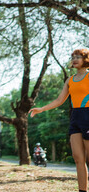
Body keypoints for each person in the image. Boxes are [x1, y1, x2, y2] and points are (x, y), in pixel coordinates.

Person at [29, 48, 89, 192]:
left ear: (86, 59)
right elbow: (59, 100)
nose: (74, 59)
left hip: (88, 115)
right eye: (73, 57)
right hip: (75, 117)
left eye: (78, 57)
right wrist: (41, 109)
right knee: (77, 158)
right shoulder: (70, 80)